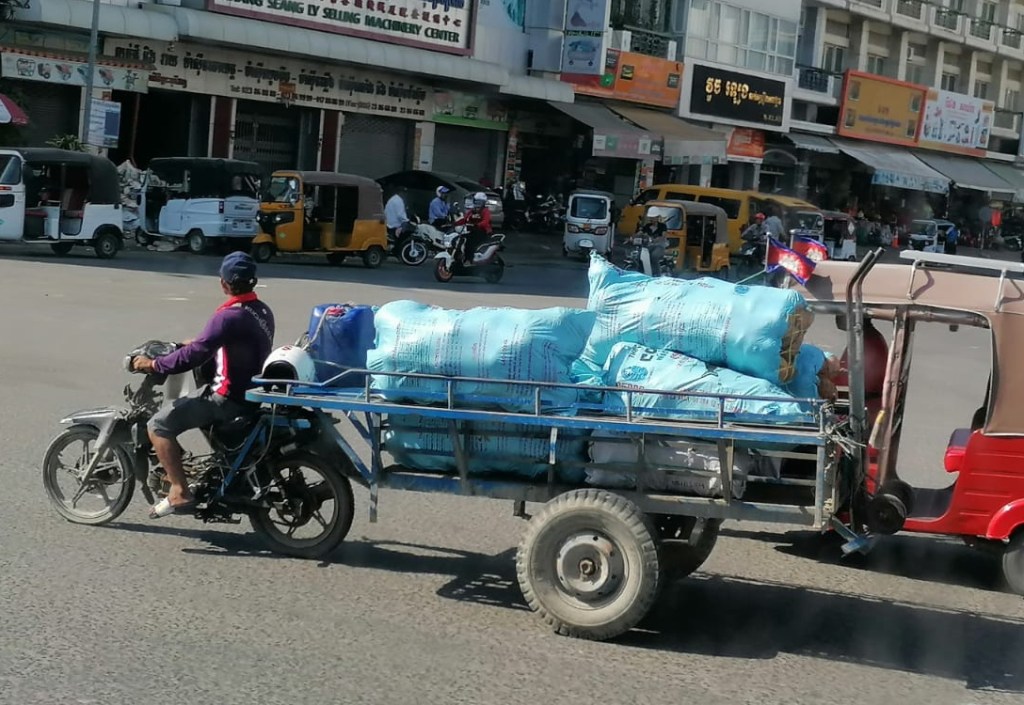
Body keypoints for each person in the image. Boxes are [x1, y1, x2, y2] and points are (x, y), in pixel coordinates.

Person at [131, 252, 276, 519]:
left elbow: (195, 355)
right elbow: (217, 345)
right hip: (249, 394)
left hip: (226, 399)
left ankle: (179, 490)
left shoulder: (228, 317)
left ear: (224, 283)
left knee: (158, 425)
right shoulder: (262, 310)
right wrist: (194, 344)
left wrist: (154, 365)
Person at [454, 191, 492, 264]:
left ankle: (469, 259)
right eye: (476, 201)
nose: (478, 204)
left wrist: (477, 225)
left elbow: (486, 222)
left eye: (480, 202)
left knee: (469, 242)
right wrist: (455, 223)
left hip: (483, 232)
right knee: (460, 238)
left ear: (483, 203)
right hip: (472, 230)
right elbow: (464, 219)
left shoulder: (485, 211)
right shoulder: (472, 211)